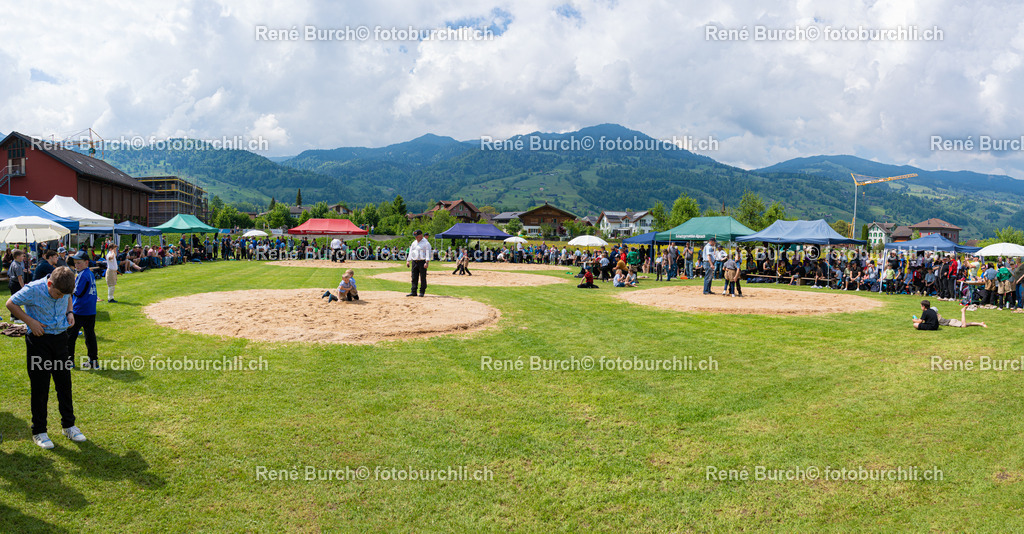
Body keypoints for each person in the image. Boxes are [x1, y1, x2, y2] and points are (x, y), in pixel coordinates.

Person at [6, 266, 86, 449]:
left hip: (60, 340)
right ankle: (39, 431)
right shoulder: (33, 289)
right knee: (40, 387)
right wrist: (30, 322)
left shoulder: (64, 288)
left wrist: (69, 312)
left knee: (64, 385)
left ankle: (69, 426)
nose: (60, 297)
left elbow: (68, 296)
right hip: (39, 341)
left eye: (63, 295)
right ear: (49, 283)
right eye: (57, 294)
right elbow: (10, 303)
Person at [67, 251, 99, 369]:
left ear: (86, 262)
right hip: (90, 309)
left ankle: (69, 361)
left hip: (79, 310)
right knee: (90, 335)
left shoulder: (83, 275)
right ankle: (93, 361)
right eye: (75, 263)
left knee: (71, 336)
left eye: (79, 263)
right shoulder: (88, 273)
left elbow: (78, 293)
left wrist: (68, 288)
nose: (76, 265)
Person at [406, 230, 431, 297]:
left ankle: (422, 292)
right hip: (414, 262)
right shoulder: (414, 243)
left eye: (417, 236)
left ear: (421, 235)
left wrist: (427, 262)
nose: (416, 237)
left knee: (422, 277)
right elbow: (411, 252)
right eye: (415, 236)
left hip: (422, 262)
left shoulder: (426, 243)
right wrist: (408, 260)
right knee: (414, 277)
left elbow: (428, 253)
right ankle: (413, 291)